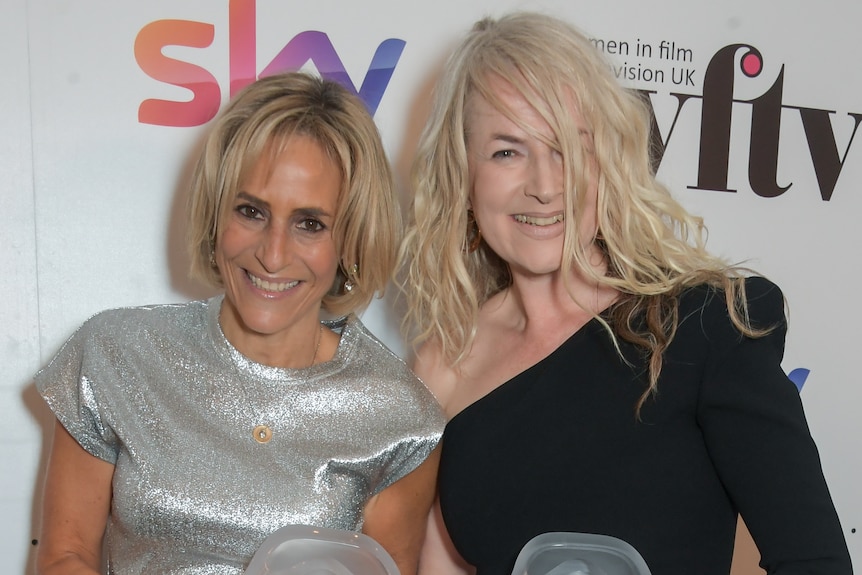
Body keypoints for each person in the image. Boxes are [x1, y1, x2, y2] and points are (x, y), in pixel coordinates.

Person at [399, 12, 853, 575]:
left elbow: (815, 563)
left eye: (569, 148)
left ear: (608, 163)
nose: (544, 186)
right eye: (507, 151)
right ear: (462, 174)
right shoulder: (445, 365)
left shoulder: (708, 325)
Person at [34, 71, 445, 575]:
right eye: (251, 211)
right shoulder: (115, 355)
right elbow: (65, 556)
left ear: (352, 241)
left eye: (310, 224)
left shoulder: (399, 415)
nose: (272, 255)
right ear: (215, 216)